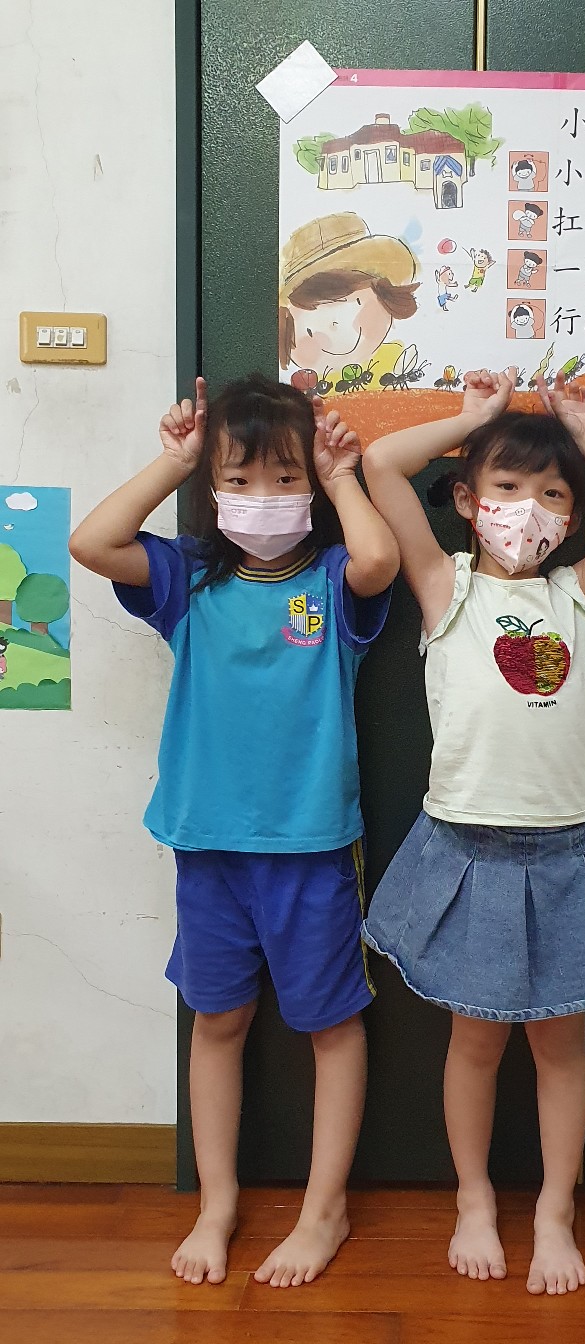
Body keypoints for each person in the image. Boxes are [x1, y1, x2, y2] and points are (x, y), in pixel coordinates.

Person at [68, 374, 398, 1289]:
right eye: (240, 478)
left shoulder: (331, 579)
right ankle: (217, 1203)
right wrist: (175, 461)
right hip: (207, 845)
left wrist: (339, 475)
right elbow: (91, 543)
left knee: (330, 1022)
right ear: (211, 485)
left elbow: (378, 561)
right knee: (217, 1019)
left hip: (311, 847)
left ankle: (324, 1210)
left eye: (284, 477)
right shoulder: (188, 576)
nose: (263, 496)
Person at [361, 367, 585, 1296]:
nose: (528, 509)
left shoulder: (580, 592)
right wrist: (476, 417)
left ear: (571, 517)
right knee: (475, 1043)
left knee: (560, 1047)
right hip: (470, 850)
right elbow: (380, 463)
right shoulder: (443, 587)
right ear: (467, 501)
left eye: (552, 495)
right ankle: (473, 1197)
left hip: (572, 851)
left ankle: (554, 1211)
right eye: (506, 487)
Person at [279, 212, 419, 391]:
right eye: (309, 329)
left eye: (356, 302)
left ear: (386, 298)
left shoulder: (394, 361)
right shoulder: (298, 384)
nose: (334, 324)